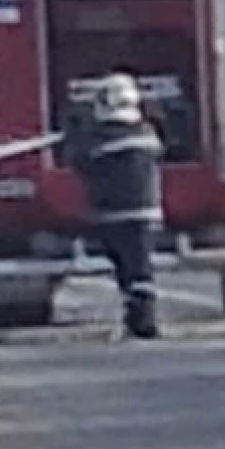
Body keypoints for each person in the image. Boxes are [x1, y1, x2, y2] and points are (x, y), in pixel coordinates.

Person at [68, 73, 164, 340]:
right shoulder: (147, 133)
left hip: (112, 215)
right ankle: (139, 319)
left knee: (129, 269)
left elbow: (80, 163)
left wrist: (75, 134)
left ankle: (143, 322)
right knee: (140, 268)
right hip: (147, 212)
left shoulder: (100, 139)